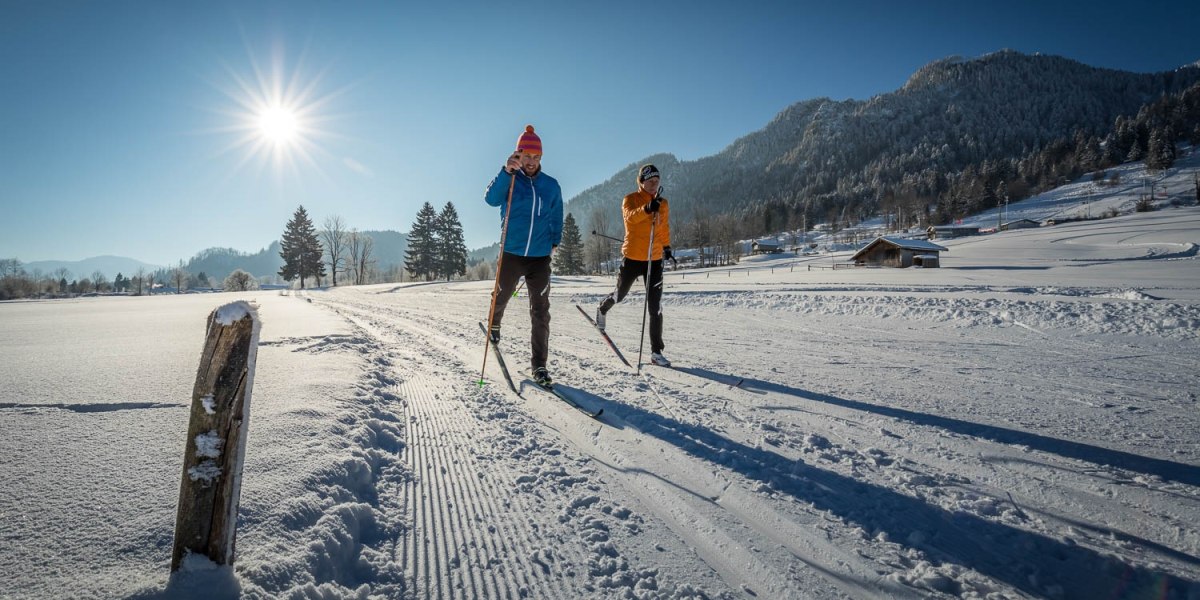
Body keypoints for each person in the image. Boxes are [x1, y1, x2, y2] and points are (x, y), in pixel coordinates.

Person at [484, 125, 563, 387]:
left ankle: (539, 365)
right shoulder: (510, 179)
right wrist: (506, 171)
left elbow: (556, 215)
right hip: (512, 252)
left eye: (536, 157)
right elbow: (490, 199)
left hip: (539, 258)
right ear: (518, 154)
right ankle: (494, 324)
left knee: (541, 311)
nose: (531, 161)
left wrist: (555, 241)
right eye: (527, 156)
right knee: (502, 295)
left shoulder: (551, 185)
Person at [596, 164, 673, 367]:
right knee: (620, 294)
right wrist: (647, 208)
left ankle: (656, 352)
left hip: (654, 260)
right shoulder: (630, 199)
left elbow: (663, 227)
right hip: (632, 258)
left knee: (655, 307)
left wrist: (666, 246)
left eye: (656, 181)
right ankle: (603, 308)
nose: (653, 185)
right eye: (650, 182)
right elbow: (631, 218)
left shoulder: (663, 203)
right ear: (641, 182)